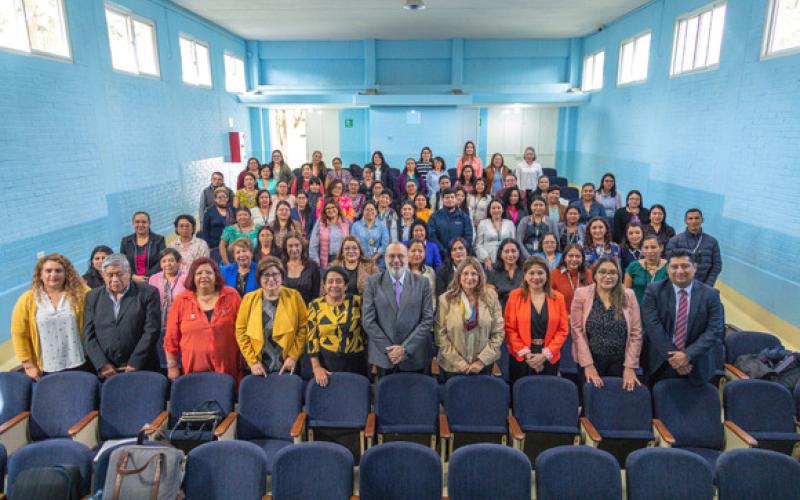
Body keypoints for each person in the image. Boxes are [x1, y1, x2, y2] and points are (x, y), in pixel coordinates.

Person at [641, 249, 724, 386]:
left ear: (695, 268)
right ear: (667, 269)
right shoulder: (653, 291)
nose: (679, 271)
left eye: (685, 266)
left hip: (696, 363)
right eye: (674, 267)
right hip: (660, 363)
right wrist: (675, 359)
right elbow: (652, 326)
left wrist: (687, 355)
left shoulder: (711, 295)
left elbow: (715, 329)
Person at [12, 254, 90, 379]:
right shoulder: (27, 299)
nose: (53, 275)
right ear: (40, 274)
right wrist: (28, 365)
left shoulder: (82, 293)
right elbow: (19, 334)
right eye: (48, 271)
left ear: (66, 274)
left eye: (58, 270)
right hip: (47, 368)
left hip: (80, 362)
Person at [164, 257, 242, 382]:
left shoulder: (232, 296)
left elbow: (243, 331)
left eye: (209, 272)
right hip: (192, 373)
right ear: (192, 277)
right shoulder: (181, 301)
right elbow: (171, 338)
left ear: (216, 276)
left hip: (228, 371)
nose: (204, 276)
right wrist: (172, 366)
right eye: (199, 273)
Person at [362, 242, 435, 375]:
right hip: (384, 357)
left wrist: (405, 349)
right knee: (386, 395)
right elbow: (368, 321)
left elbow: (427, 319)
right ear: (385, 258)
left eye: (400, 256)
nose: (396, 260)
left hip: (414, 356)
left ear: (407, 258)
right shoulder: (372, 282)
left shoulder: (422, 283)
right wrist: (390, 350)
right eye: (391, 256)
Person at [570, 257, 642, 390]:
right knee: (591, 402)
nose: (608, 276)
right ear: (595, 275)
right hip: (590, 359)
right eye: (602, 272)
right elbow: (577, 331)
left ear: (618, 275)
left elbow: (636, 332)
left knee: (617, 403)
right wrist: (588, 365)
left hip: (621, 361)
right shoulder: (581, 294)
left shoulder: (629, 295)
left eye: (612, 272)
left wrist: (630, 366)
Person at [83, 253, 160, 376]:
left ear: (129, 272)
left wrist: (135, 362)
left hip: (143, 367)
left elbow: (152, 330)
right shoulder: (92, 297)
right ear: (103, 275)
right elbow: (88, 335)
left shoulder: (148, 293)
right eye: (110, 275)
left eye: (119, 274)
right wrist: (102, 364)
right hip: (107, 371)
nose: (115, 279)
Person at [236, 257, 307, 376]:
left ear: (282, 276)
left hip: (288, 365)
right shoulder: (249, 299)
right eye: (266, 275)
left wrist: (293, 357)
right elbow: (241, 331)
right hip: (258, 367)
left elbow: (303, 328)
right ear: (259, 278)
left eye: (275, 274)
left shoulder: (295, 296)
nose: (271, 279)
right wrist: (253, 362)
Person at [435, 257, 504, 379]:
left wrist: (482, 361)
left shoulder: (490, 297)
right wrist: (460, 363)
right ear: (458, 276)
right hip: (452, 367)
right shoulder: (445, 299)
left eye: (474, 274)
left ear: (480, 276)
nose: (469, 278)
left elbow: (498, 332)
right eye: (465, 273)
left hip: (483, 366)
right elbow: (440, 335)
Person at [504, 256, 569, 383]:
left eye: (540, 272)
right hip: (522, 357)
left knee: (546, 395)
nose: (536, 277)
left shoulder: (558, 297)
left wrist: (545, 355)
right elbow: (509, 328)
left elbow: (563, 330)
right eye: (531, 273)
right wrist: (527, 355)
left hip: (549, 357)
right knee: (521, 396)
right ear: (525, 275)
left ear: (547, 275)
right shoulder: (514, 296)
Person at [307, 266, 367, 386]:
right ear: (324, 286)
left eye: (339, 281)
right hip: (327, 364)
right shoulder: (315, 305)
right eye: (330, 281)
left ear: (346, 285)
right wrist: (316, 367)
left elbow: (368, 332)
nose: (334, 285)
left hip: (356, 362)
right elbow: (311, 339)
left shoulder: (357, 301)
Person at [148, 248, 186, 369]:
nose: (167, 264)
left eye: (171, 260)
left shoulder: (186, 278)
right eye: (164, 261)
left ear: (179, 262)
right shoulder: (153, 279)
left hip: (181, 324)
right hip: (160, 325)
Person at [666, 208, 722, 286]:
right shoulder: (675, 241)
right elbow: (669, 264)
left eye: (696, 218)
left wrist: (708, 285)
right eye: (690, 218)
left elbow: (717, 266)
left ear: (702, 220)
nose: (694, 221)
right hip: (680, 286)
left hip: (703, 286)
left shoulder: (712, 242)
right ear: (685, 221)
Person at [120, 211, 166, 283]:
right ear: (133, 223)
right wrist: (132, 276)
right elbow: (122, 262)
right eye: (137, 222)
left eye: (144, 222)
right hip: (132, 282)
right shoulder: (126, 241)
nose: (140, 225)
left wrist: (146, 277)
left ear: (149, 223)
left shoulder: (159, 240)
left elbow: (162, 261)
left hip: (154, 280)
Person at [428, 188, 474, 257]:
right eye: (447, 197)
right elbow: (432, 237)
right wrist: (443, 251)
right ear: (442, 199)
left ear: (456, 199)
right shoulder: (434, 217)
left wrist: (458, 250)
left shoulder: (464, 217)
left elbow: (468, 237)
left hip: (460, 255)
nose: (450, 199)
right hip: (440, 255)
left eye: (452, 197)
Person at [624, 234, 668, 305]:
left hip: (662, 310)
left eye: (653, 247)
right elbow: (626, 294)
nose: (650, 251)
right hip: (637, 311)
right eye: (646, 247)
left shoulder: (669, 266)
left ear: (661, 248)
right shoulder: (633, 267)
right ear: (641, 249)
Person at [550, 244, 593, 313]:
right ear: (564, 258)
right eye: (570, 256)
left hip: (585, 318)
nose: (574, 259)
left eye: (578, 256)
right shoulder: (554, 274)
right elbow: (549, 300)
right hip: (562, 318)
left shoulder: (589, 274)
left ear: (582, 259)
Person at [310, 198, 351, 269]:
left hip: (343, 259)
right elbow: (313, 244)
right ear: (325, 211)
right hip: (327, 260)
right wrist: (316, 262)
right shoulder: (320, 222)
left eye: (333, 207)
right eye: (328, 208)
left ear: (338, 208)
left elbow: (352, 240)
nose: (331, 210)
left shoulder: (346, 221)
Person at [475, 200, 516, 269]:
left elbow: (514, 243)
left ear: (503, 209)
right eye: (493, 208)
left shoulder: (510, 223)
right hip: (488, 261)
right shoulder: (483, 223)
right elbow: (478, 245)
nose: (496, 210)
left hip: (506, 260)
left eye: (498, 208)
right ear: (489, 210)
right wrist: (486, 258)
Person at [282, 232, 321, 304]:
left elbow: (316, 294)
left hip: (307, 310)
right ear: (285, 248)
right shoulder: (280, 267)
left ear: (302, 246)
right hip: (285, 311)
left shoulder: (312, 266)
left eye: (297, 245)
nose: (294, 249)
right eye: (290, 246)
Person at [351, 200, 391, 270]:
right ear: (363, 212)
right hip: (361, 262)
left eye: (372, 209)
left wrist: (373, 260)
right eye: (367, 209)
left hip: (379, 263)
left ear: (376, 212)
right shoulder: (356, 225)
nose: (370, 212)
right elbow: (353, 244)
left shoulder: (382, 226)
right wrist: (363, 259)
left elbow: (385, 244)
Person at [486, 239, 524, 309]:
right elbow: (490, 298)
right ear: (501, 254)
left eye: (513, 251)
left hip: (522, 310)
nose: (510, 254)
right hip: (500, 312)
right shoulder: (493, 272)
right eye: (506, 251)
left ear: (519, 252)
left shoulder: (526, 271)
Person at [202, 187, 234, 262]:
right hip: (214, 245)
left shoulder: (232, 210)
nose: (222, 199)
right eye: (219, 197)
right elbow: (205, 231)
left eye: (224, 197)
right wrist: (208, 246)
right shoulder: (209, 212)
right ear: (215, 199)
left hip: (231, 244)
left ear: (227, 198)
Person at [407, 239, 437, 311]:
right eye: (413, 251)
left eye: (420, 251)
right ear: (407, 252)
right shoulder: (400, 272)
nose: (417, 254)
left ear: (425, 253)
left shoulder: (430, 272)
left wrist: (428, 315)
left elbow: (432, 297)